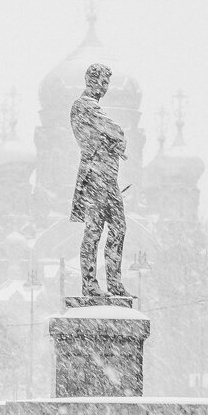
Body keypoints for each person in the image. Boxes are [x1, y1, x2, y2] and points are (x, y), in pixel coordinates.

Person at [70, 63, 130, 298]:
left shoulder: (91, 108)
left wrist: (113, 142)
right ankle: (91, 284)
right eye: (101, 82)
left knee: (115, 227)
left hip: (106, 176)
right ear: (90, 81)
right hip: (96, 176)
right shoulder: (84, 106)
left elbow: (109, 135)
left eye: (107, 83)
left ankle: (111, 283)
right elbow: (115, 130)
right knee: (95, 230)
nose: (104, 88)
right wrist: (116, 140)